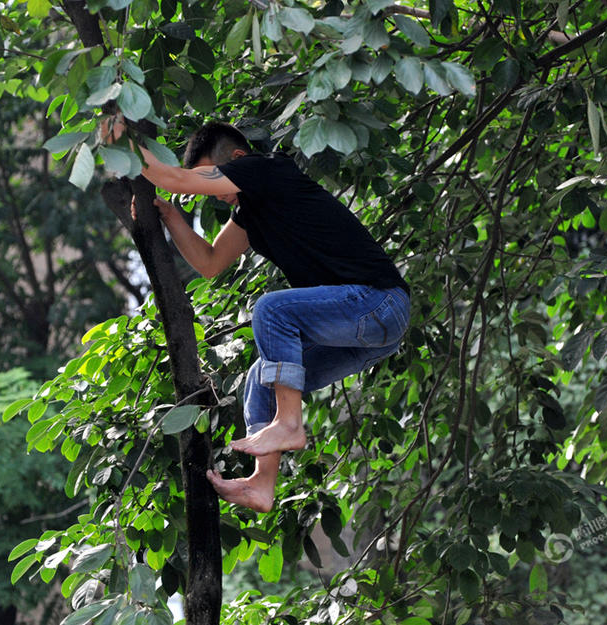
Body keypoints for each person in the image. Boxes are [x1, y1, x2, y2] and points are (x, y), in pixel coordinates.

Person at [133, 121, 409, 512]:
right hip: (366, 333)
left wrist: (123, 143)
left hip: (379, 302)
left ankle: (289, 424)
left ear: (237, 161)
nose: (211, 192)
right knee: (261, 379)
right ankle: (262, 485)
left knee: (272, 309)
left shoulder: (265, 169)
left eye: (209, 176)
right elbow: (210, 262)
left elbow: (176, 180)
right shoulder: (253, 211)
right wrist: (169, 218)